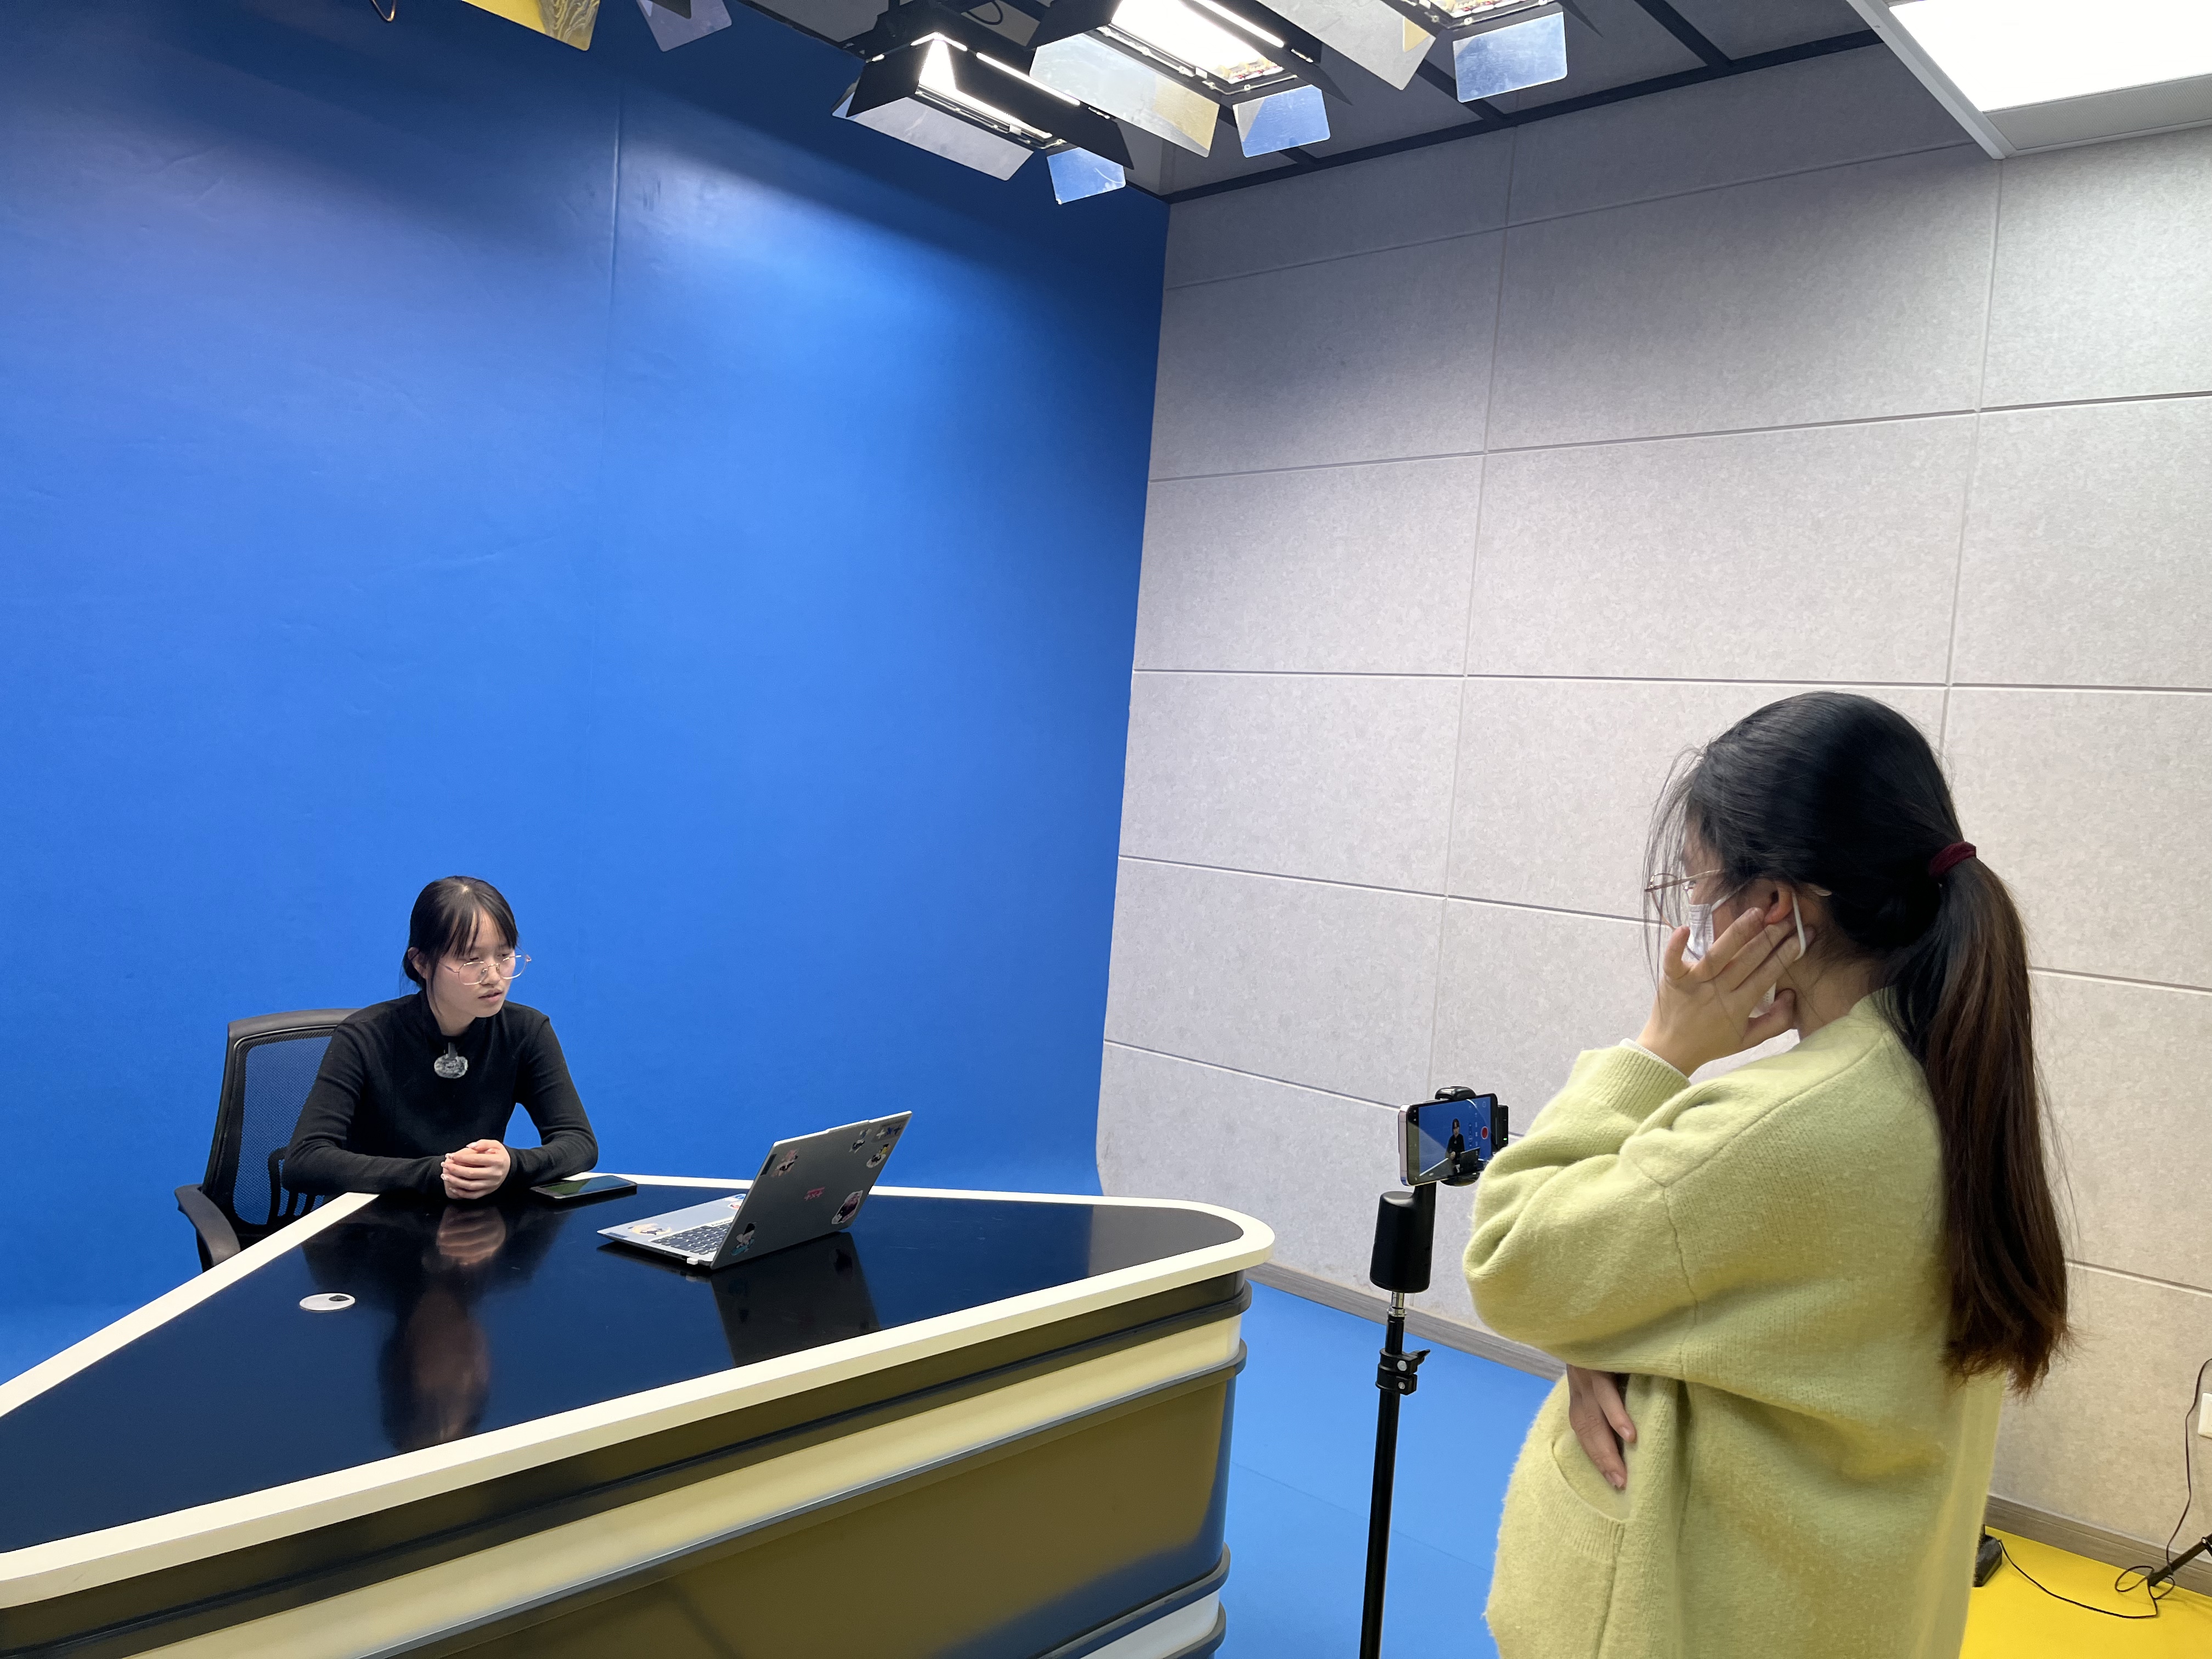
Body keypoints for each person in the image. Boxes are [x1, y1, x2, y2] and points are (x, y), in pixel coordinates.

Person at [1466, 692, 2067, 1659]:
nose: (1696, 920)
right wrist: (1598, 1320)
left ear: (1774, 909)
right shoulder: (1946, 1077)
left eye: (1701, 887)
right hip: (1857, 1611)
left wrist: (1658, 1051)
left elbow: (1512, 1256)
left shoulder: (1779, 1126)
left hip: (1693, 1619)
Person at [285, 876, 599, 1200]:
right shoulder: (365, 1036)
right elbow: (305, 1161)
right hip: (374, 1218)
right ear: (421, 962)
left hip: (473, 1219)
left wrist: (512, 1165)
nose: (494, 976)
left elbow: (579, 1142)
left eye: (505, 956)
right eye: (472, 960)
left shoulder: (526, 1031)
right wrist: (439, 1174)